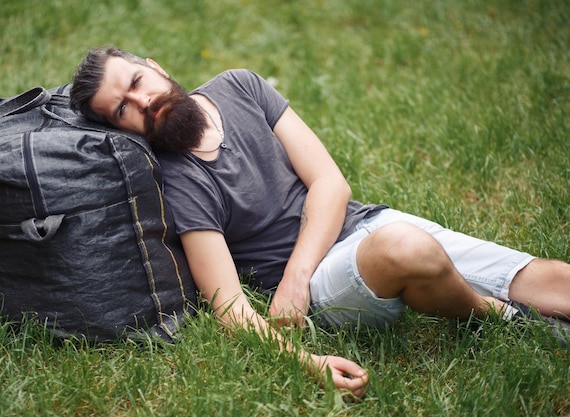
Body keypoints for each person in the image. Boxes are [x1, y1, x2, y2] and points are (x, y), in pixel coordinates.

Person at [70, 47, 570, 398]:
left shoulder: (238, 86)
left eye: (136, 83)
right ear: (121, 131)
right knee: (406, 247)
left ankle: (526, 310)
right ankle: (502, 317)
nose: (142, 103)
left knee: (555, 280)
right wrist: (307, 361)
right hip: (336, 284)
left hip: (356, 229)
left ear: (153, 67)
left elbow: (331, 184)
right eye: (122, 111)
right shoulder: (177, 182)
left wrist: (295, 277)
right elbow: (228, 306)